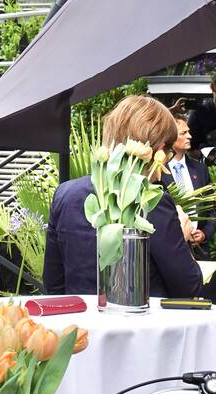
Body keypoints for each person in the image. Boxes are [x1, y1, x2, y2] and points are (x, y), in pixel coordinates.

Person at [44, 96, 202, 299]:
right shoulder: (152, 201)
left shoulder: (65, 194)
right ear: (158, 149)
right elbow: (188, 287)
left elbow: (53, 286)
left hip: (80, 324)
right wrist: (183, 235)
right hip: (139, 326)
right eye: (169, 153)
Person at [168, 114, 216, 256]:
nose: (189, 136)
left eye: (189, 132)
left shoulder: (200, 169)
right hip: (169, 249)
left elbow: (213, 209)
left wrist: (204, 233)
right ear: (170, 136)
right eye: (183, 133)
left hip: (198, 250)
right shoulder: (157, 171)